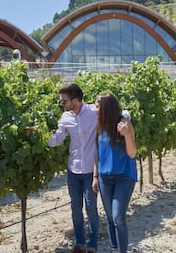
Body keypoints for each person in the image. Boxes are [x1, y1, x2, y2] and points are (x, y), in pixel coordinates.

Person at [48, 84, 99, 253]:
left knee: (91, 208)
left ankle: (92, 245)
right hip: (73, 169)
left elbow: (118, 114)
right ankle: (80, 243)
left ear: (75, 100)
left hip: (91, 170)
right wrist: (41, 135)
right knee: (76, 208)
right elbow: (57, 139)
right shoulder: (65, 117)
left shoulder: (93, 112)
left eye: (64, 101)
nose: (62, 104)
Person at [92, 93, 137, 253]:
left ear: (106, 109)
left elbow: (132, 153)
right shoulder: (99, 126)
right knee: (110, 218)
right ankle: (114, 249)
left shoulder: (124, 124)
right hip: (105, 178)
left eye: (97, 107)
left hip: (124, 177)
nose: (94, 109)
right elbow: (96, 153)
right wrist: (95, 176)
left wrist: (126, 135)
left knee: (118, 216)